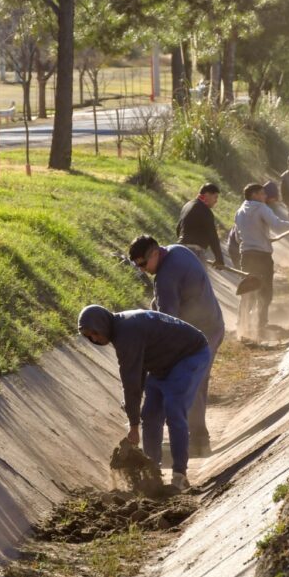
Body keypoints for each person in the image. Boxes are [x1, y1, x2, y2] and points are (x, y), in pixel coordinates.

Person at [78, 305, 210, 491]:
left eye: (94, 333)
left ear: (102, 324)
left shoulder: (126, 333)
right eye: (88, 336)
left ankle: (180, 475)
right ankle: (152, 472)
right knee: (150, 416)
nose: (94, 338)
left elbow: (131, 381)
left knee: (174, 409)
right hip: (162, 363)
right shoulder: (121, 329)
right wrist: (135, 418)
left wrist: (133, 426)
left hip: (189, 355)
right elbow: (136, 374)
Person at [128, 235, 224, 457]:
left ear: (154, 254)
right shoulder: (178, 250)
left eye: (143, 264)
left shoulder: (165, 277)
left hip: (200, 334)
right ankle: (197, 438)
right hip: (214, 325)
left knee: (189, 383)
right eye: (137, 266)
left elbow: (167, 322)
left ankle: (197, 442)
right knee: (198, 383)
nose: (142, 270)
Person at [233, 183, 289, 340]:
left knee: (248, 292)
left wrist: (256, 238)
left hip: (247, 255)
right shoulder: (262, 208)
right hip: (262, 256)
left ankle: (241, 327)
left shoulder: (239, 212)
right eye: (262, 193)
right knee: (265, 292)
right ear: (254, 195)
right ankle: (260, 326)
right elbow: (278, 226)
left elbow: (238, 237)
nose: (265, 197)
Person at [176, 183, 225, 267]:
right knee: (199, 280)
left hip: (180, 249)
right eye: (215, 197)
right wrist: (219, 258)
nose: (216, 201)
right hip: (195, 252)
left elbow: (178, 229)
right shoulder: (205, 211)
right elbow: (212, 236)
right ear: (207, 195)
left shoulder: (187, 205)